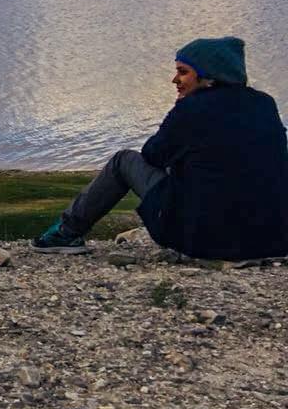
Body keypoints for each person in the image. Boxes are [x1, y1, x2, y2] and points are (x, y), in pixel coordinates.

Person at [33, 37, 288, 260]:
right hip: (272, 241)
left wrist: (181, 112)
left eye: (183, 72)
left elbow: (152, 155)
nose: (174, 80)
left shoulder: (192, 109)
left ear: (209, 75)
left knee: (124, 160)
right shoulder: (264, 104)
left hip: (206, 242)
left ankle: (63, 235)